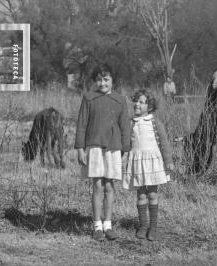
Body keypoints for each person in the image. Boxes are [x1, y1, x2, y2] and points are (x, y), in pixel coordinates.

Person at [75, 63, 130, 241]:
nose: (102, 83)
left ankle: (108, 224)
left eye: (106, 79)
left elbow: (125, 127)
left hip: (113, 149)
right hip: (94, 148)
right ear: (95, 81)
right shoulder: (89, 98)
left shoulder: (120, 100)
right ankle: (97, 225)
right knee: (97, 185)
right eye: (99, 79)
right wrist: (80, 149)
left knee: (109, 186)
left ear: (112, 80)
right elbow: (81, 124)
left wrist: (126, 150)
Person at [122, 89, 174, 241]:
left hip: (152, 163)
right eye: (136, 101)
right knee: (141, 195)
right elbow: (126, 142)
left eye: (142, 102)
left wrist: (169, 160)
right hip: (137, 163)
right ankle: (143, 226)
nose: (137, 104)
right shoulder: (131, 123)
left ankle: (153, 227)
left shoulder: (155, 122)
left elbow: (164, 143)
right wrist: (123, 156)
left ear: (149, 107)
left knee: (152, 194)